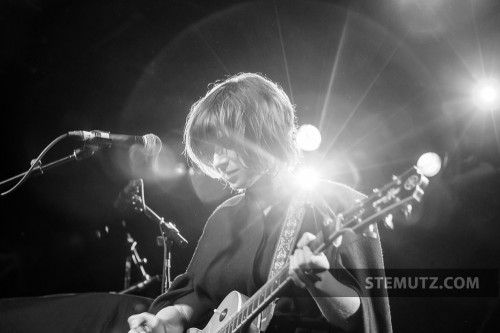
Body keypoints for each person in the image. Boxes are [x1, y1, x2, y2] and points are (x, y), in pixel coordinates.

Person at [128, 73, 392, 333]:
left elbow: (364, 320)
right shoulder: (223, 218)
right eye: (211, 150)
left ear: (263, 133)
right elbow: (198, 295)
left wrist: (320, 280)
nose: (217, 161)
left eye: (226, 144)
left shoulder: (338, 204)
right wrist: (164, 321)